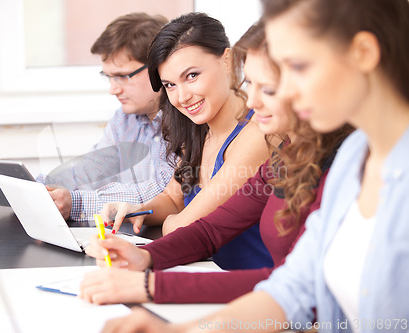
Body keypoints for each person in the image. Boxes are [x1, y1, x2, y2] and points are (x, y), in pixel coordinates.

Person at [98, 0, 409, 331]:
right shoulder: (353, 157)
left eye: (297, 67)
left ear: (363, 53)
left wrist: (152, 286)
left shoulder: (340, 156)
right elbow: (293, 288)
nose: (266, 97)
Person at [79, 20, 352, 305]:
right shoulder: (287, 154)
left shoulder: (343, 162)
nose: (252, 100)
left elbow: (294, 283)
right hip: (261, 300)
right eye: (250, 83)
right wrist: (145, 256)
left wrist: (151, 285)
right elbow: (209, 230)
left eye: (267, 88)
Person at [101, 12, 272, 270]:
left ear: (227, 61)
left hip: (249, 284)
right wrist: (138, 209)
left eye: (192, 76)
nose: (182, 97)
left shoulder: (255, 134)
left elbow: (182, 227)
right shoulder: (200, 128)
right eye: (170, 85)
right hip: (204, 272)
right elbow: (173, 197)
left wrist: (168, 221)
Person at [0, 13, 174, 222]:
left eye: (121, 76)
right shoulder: (125, 119)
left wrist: (76, 203)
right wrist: (32, 188)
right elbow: (89, 173)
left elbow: (166, 193)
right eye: (108, 77)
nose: (113, 90)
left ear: (158, 67)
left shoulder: (185, 122)